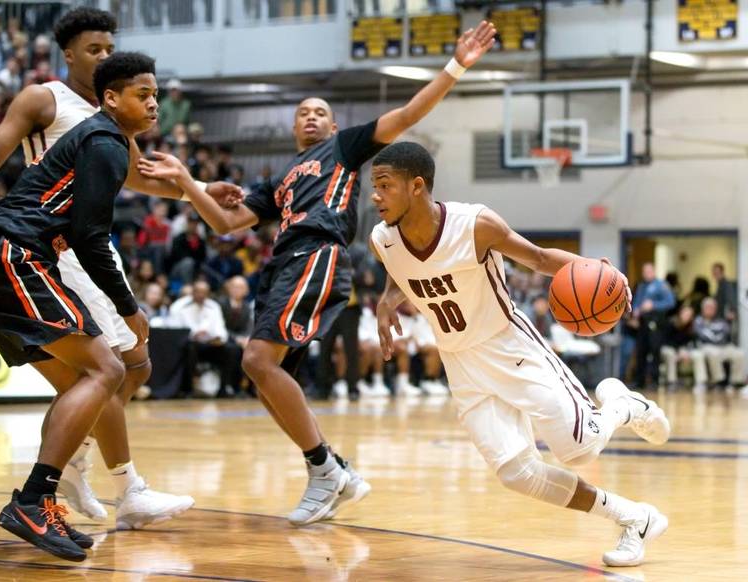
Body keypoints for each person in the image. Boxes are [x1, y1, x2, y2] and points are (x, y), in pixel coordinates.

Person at [137, 20, 498, 526]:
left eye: (320, 112)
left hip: (317, 254)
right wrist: (188, 182)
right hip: (283, 263)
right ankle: (335, 469)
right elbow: (225, 223)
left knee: (257, 359)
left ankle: (325, 470)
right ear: (294, 127)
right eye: (303, 112)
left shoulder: (343, 149)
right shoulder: (281, 179)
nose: (311, 116)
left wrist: (456, 65)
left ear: (331, 127)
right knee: (266, 380)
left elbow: (408, 114)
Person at [0, 7, 240, 528]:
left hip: (66, 238)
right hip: (54, 246)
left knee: (130, 367)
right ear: (68, 54)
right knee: (106, 368)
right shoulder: (45, 99)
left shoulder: (113, 120)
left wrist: (196, 188)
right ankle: (120, 486)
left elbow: (136, 176)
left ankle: (71, 463)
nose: (103, 56)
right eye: (93, 49)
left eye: (109, 48)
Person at [368, 141, 670, 567]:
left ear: (416, 186)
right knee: (517, 473)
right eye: (374, 186)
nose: (375, 196)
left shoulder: (474, 225)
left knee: (581, 450)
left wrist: (601, 272)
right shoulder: (382, 239)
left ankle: (622, 404)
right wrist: (387, 300)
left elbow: (540, 259)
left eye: (384, 185)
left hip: (510, 346)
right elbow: (401, 270)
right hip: (460, 363)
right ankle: (634, 518)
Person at [0, 51, 158, 562]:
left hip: (2, 255)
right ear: (110, 98)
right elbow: (89, 236)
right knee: (108, 369)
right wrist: (128, 307)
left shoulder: (100, 139)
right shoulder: (105, 141)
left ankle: (45, 498)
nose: (154, 104)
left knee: (82, 380)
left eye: (156, 95)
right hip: (15, 253)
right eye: (142, 94)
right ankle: (34, 501)